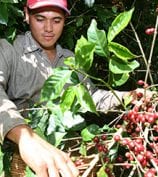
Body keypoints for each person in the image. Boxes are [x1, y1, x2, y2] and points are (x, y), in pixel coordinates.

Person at [0, 0, 149, 176]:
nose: (48, 28)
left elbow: (92, 97)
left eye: (56, 20)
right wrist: (24, 136)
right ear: (26, 14)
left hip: (72, 155)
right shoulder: (9, 49)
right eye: (40, 19)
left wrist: (128, 96)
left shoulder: (71, 59)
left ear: (65, 20)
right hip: (19, 159)